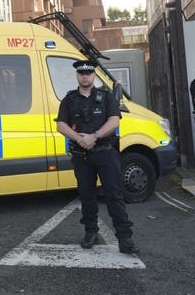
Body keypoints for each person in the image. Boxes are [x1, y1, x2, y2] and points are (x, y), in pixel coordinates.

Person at [56, 60, 139, 254]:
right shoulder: (69, 100)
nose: (85, 76)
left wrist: (94, 136)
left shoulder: (106, 96)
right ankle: (90, 232)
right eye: (81, 73)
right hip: (81, 155)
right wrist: (79, 138)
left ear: (93, 75)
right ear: (77, 76)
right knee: (87, 196)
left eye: (89, 73)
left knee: (114, 195)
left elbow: (114, 120)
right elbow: (61, 125)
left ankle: (125, 238)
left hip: (105, 152)